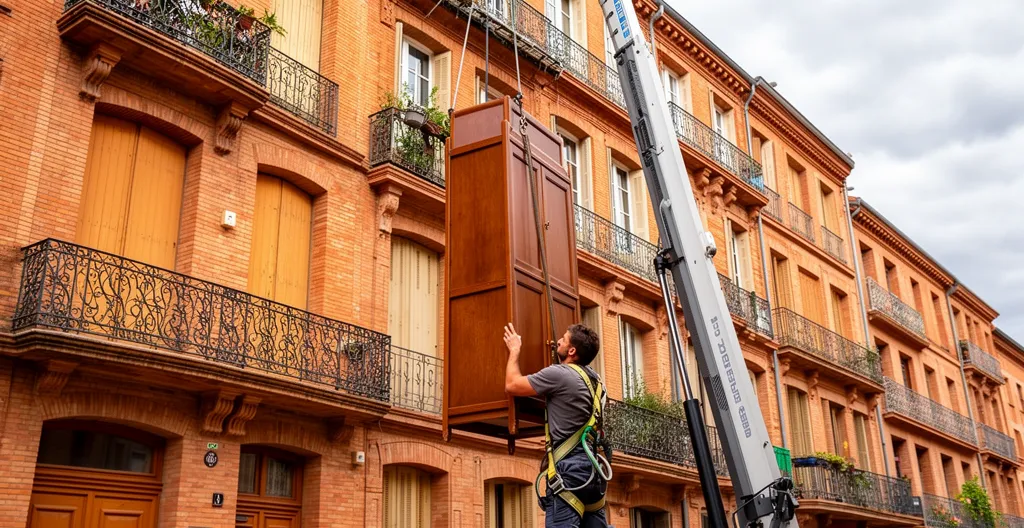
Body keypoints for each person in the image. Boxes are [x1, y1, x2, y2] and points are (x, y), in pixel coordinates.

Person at [503, 322, 609, 528]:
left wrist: (514, 349)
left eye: (563, 339)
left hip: (568, 470)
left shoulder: (559, 374)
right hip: (592, 470)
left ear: (571, 351)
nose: (556, 341)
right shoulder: (596, 381)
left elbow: (512, 385)